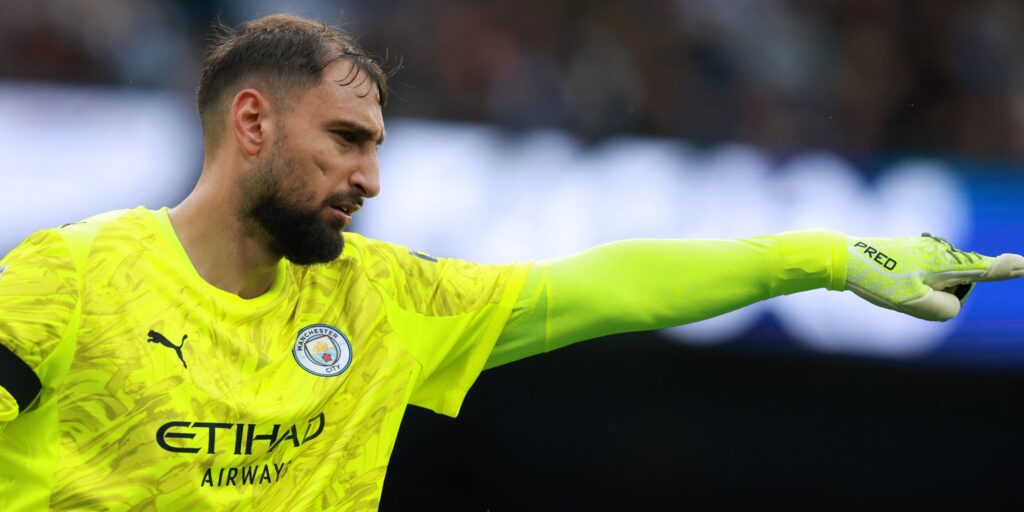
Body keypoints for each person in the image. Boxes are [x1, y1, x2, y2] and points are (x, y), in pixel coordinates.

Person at [0, 14, 1020, 512]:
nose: (372, 176)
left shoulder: (384, 299)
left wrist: (828, 253)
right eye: (347, 140)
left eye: (379, 145)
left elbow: (605, 287)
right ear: (252, 122)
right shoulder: (69, 278)